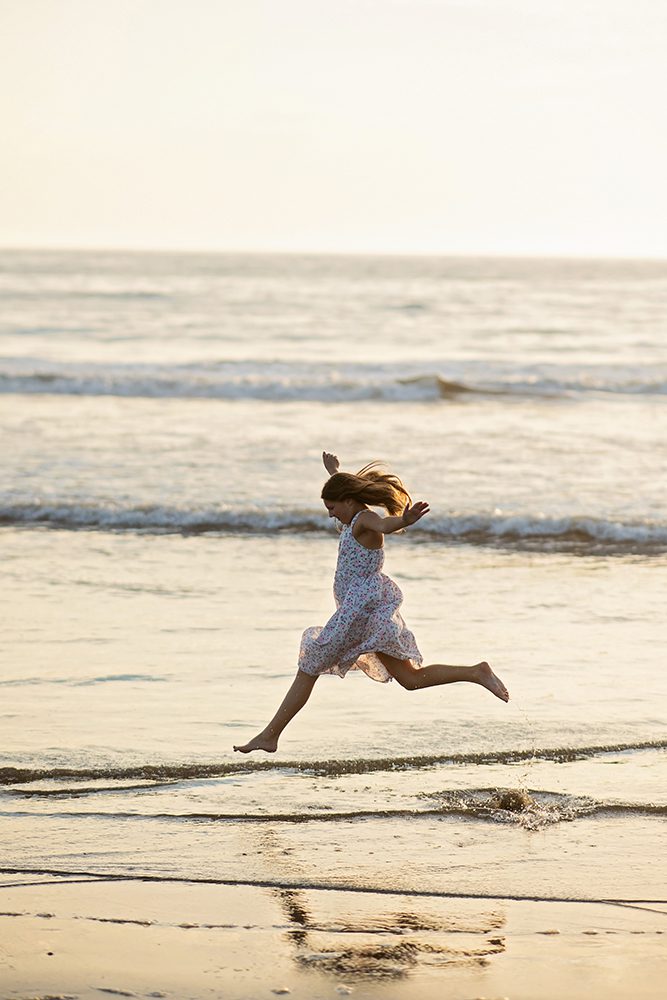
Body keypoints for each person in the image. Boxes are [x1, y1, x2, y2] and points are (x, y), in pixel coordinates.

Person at [233, 451, 509, 754]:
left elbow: (383, 525)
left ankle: (270, 735)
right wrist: (334, 471)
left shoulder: (364, 520)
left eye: (332, 507)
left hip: (360, 612)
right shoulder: (351, 517)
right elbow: (346, 495)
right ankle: (475, 672)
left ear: (348, 501)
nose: (329, 514)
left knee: (310, 663)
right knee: (410, 679)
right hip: (365, 610)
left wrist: (404, 519)